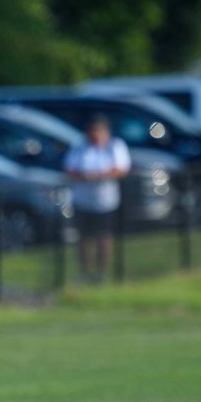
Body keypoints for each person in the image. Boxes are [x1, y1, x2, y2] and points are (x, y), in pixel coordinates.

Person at [63, 115, 131, 282]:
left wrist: (97, 176)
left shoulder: (114, 146)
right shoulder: (79, 148)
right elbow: (68, 169)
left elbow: (121, 169)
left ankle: (101, 272)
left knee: (104, 236)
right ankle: (84, 271)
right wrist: (84, 176)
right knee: (83, 238)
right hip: (82, 201)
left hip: (105, 202)